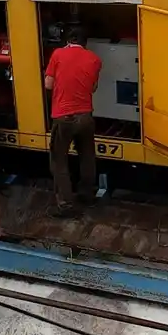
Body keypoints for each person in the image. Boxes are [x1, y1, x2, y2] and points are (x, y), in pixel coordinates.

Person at [43, 25, 102, 216]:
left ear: (68, 41)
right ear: (85, 43)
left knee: (59, 160)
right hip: (86, 116)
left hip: (64, 116)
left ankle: (66, 205)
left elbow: (48, 84)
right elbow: (93, 87)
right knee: (87, 156)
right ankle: (87, 195)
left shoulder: (58, 54)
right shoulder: (95, 59)